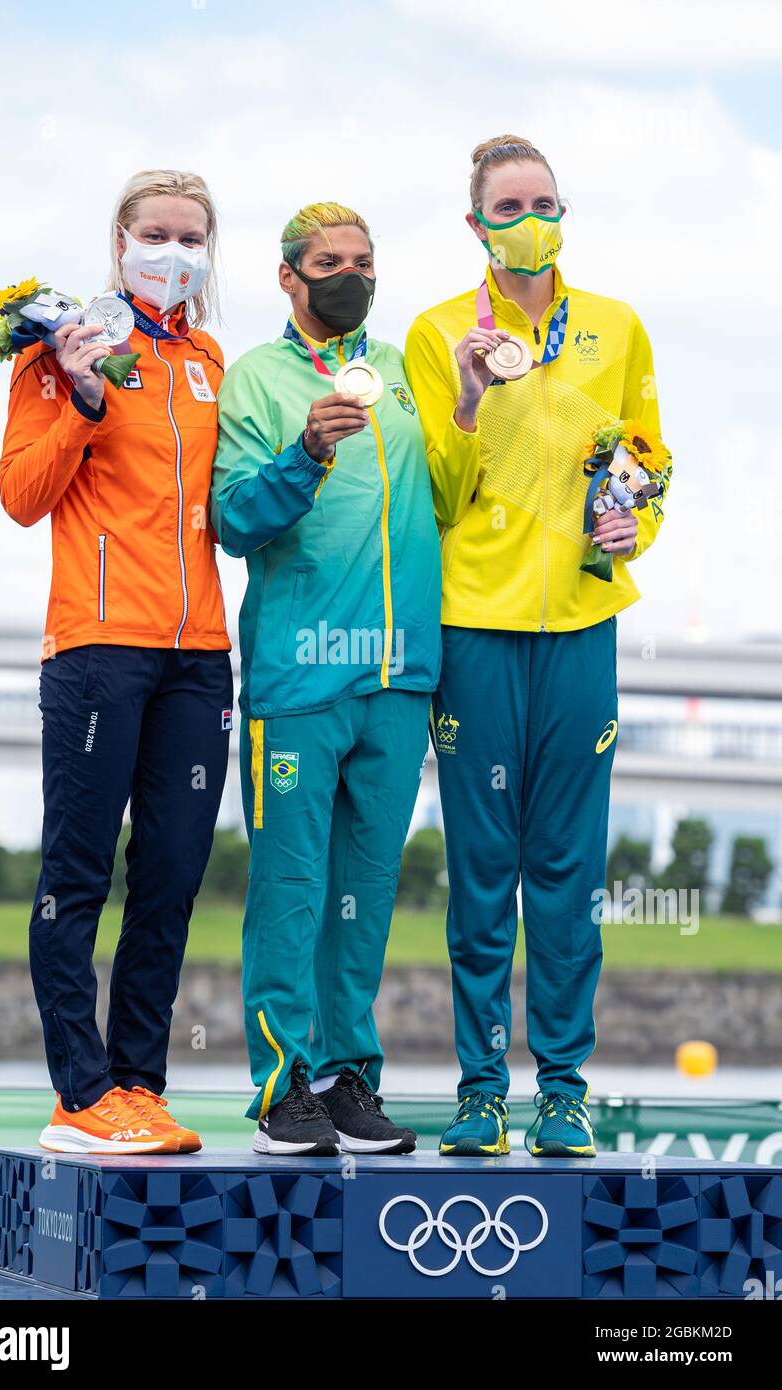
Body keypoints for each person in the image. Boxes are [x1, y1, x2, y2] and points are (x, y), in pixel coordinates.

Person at [405, 136, 672, 1158]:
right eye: (510, 206)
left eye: (547, 202)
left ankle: (564, 1088)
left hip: (584, 629)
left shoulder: (616, 326)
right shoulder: (437, 333)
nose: (533, 219)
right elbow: (434, 494)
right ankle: (480, 1090)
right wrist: (471, 401)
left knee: (568, 867)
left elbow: (645, 460)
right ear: (476, 225)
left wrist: (632, 525)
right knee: (484, 869)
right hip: (475, 625)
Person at [0, 169, 233, 1154]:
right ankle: (79, 1092)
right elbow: (21, 492)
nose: (174, 253)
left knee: (172, 874)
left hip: (201, 654)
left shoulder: (214, 358)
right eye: (157, 233)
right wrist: (84, 398)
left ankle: (137, 1084)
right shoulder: (62, 352)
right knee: (79, 872)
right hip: (98, 646)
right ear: (121, 238)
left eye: (192, 238)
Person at [211, 202, 441, 1155]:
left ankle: (351, 1078)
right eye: (328, 262)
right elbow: (231, 520)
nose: (350, 275)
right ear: (288, 277)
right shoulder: (256, 378)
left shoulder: (401, 370)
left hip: (398, 678)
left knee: (366, 892)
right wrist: (303, 453)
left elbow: (451, 489)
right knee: (294, 888)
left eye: (364, 260)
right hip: (299, 679)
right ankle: (282, 1085)